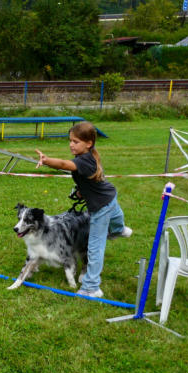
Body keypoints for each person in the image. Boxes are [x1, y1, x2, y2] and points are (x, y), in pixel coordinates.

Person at [34, 121, 131, 299]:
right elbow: (87, 181)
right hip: (109, 197)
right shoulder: (88, 156)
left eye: (76, 141)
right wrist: (80, 192)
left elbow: (64, 164)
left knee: (94, 247)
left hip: (101, 207)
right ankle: (118, 229)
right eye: (70, 141)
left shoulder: (84, 160)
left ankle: (91, 287)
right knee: (117, 218)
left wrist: (47, 161)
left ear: (89, 143)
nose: (71, 144)